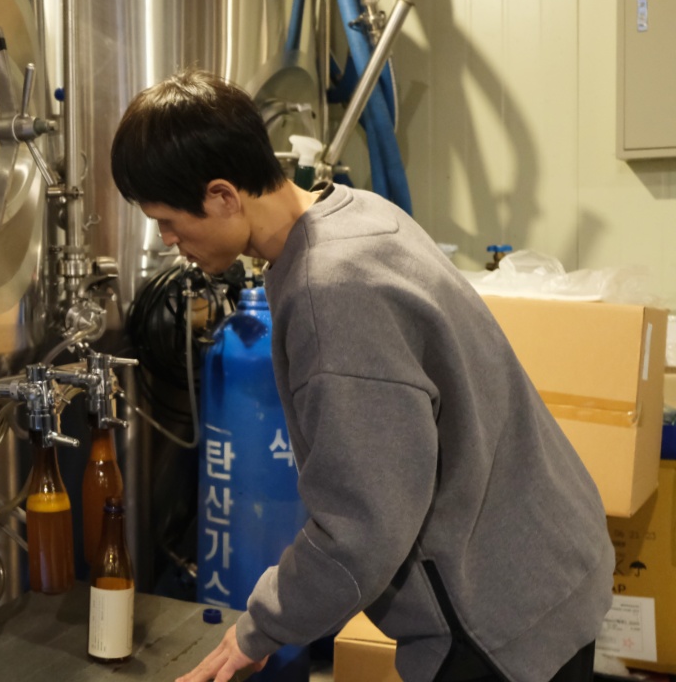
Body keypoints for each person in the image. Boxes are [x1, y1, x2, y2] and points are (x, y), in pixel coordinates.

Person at [110, 70, 612, 682]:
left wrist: (259, 629)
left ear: (222, 196)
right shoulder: (357, 212)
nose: (169, 241)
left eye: (167, 220)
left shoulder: (330, 291)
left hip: (496, 617)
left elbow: (361, 526)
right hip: (549, 556)